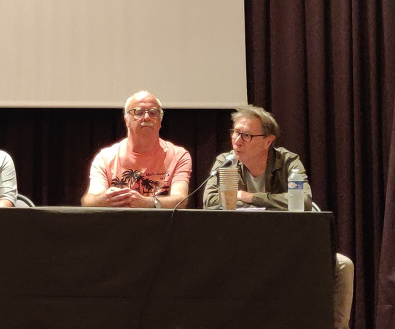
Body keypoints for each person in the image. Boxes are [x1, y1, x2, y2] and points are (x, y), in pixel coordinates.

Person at [202, 104, 355, 329]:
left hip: (286, 247)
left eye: (246, 135)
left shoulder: (287, 162)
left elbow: (302, 201)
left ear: (268, 140)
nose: (237, 140)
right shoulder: (226, 163)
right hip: (240, 247)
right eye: (235, 132)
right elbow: (210, 203)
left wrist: (249, 197)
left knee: (344, 265)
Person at [80, 91, 192, 208]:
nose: (147, 117)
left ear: (160, 122)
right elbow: (89, 200)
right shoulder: (105, 157)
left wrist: (148, 203)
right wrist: (104, 200)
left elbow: (181, 200)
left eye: (153, 113)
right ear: (126, 120)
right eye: (139, 112)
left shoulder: (179, 155)